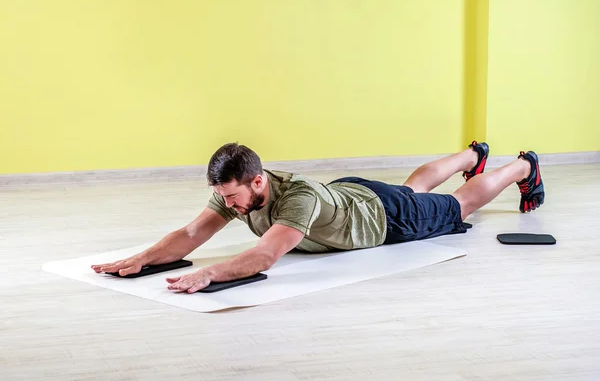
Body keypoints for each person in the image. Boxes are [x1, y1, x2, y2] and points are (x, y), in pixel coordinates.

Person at [91, 141, 545, 293]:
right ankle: (473, 152)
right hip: (351, 195)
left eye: (231, 197)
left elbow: (266, 255)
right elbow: (191, 233)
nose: (226, 206)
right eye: (221, 197)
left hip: (386, 217)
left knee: (458, 204)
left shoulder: (296, 199)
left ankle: (522, 165)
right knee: (412, 186)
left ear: (256, 183)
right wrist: (143, 258)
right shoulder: (237, 192)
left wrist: (209, 275)